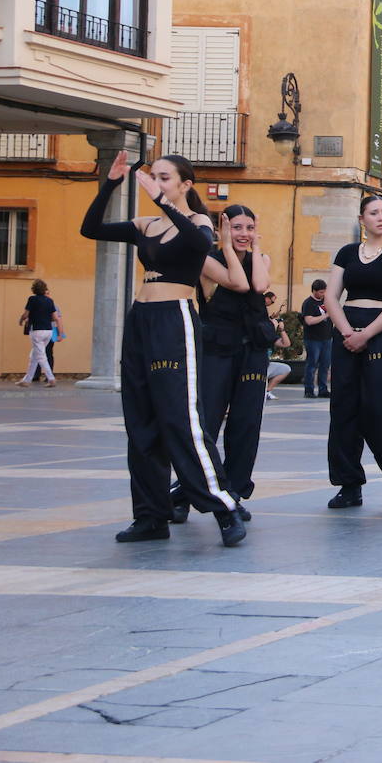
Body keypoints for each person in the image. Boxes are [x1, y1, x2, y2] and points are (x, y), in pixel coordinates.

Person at [79, 151, 246, 546]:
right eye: (154, 177)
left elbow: (197, 243)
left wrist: (161, 200)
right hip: (141, 320)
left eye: (165, 178)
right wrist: (111, 183)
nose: (156, 182)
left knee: (181, 419)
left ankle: (224, 508)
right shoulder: (145, 225)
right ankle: (151, 516)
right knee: (140, 423)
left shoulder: (198, 223)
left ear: (185, 184)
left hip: (176, 319)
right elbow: (90, 229)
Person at [171, 205, 275, 525]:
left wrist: (254, 249)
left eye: (249, 227)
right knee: (208, 424)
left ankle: (233, 493)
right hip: (217, 349)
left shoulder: (262, 258)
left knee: (246, 424)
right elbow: (238, 283)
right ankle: (192, 490)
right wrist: (226, 247)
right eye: (237, 227)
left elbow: (258, 285)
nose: (243, 233)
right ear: (221, 229)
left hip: (253, 351)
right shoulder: (207, 260)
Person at [322, 195, 382, 510]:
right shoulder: (347, 253)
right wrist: (347, 332)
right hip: (347, 328)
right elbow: (332, 297)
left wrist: (367, 334)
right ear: (362, 219)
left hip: (381, 331)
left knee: (378, 409)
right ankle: (349, 484)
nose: (381, 217)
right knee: (343, 408)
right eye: (373, 213)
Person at [16, 279, 60, 388]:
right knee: (34, 355)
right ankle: (27, 380)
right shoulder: (50, 301)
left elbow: (26, 314)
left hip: (37, 330)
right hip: (48, 331)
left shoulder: (32, 299)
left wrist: (21, 320)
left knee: (40, 356)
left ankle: (51, 379)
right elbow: (55, 318)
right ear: (44, 289)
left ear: (34, 289)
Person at [300, 279, 332, 398]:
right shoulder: (308, 303)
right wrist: (326, 315)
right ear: (314, 291)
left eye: (324, 292)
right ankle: (309, 389)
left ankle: (323, 389)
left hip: (327, 338)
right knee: (312, 364)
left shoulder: (327, 301)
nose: (323, 294)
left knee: (325, 364)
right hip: (313, 339)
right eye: (321, 292)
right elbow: (308, 320)